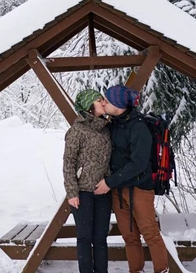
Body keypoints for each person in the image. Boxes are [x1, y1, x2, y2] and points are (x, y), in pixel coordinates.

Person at [93, 84, 170, 273]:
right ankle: (136, 270)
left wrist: (110, 182)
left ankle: (162, 270)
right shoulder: (113, 123)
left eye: (107, 100)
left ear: (118, 105)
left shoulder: (138, 127)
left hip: (139, 189)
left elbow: (139, 163)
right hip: (118, 191)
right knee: (129, 237)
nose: (104, 102)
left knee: (150, 234)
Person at [63, 88, 112, 273]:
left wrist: (108, 181)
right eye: (99, 100)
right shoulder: (77, 130)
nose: (103, 102)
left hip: (103, 191)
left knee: (100, 238)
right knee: (84, 238)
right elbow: (68, 162)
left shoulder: (106, 128)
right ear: (90, 105)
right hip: (82, 193)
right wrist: (72, 193)